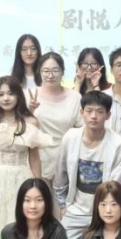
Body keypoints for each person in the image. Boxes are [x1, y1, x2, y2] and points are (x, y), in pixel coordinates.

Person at [53, 91, 121, 239]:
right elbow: (61, 173)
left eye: (100, 112)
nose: (94, 116)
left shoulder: (118, 143)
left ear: (108, 115)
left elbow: (117, 185)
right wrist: (63, 204)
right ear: (82, 113)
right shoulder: (71, 137)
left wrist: (110, 212)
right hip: (75, 207)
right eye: (89, 111)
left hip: (105, 210)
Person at [0, 76, 49, 229]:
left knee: (20, 220)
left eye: (10, 93)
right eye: (1, 94)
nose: (6, 98)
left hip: (21, 176)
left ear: (18, 95)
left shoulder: (30, 121)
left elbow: (35, 159)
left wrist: (38, 186)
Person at [32, 52, 83, 182]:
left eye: (55, 70)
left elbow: (83, 129)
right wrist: (29, 110)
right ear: (39, 72)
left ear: (62, 72)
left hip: (66, 158)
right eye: (46, 71)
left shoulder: (75, 97)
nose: (50, 75)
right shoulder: (30, 95)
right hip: (36, 159)